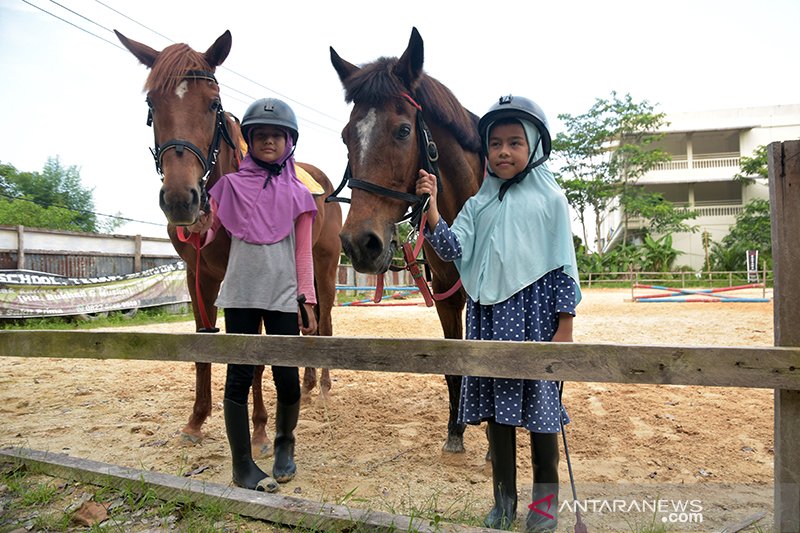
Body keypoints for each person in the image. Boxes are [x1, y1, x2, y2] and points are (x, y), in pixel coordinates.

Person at [415, 95, 581, 531]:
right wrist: (432, 212)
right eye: (495, 144)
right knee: (498, 415)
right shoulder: (478, 204)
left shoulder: (551, 201)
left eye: (514, 143)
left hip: (535, 320)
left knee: (542, 415)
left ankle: (544, 508)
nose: (503, 152)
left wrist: (564, 326)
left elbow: (564, 265)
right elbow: (452, 248)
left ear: (534, 148)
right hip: (488, 319)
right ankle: (503, 502)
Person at [189, 97, 318, 492]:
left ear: (289, 142)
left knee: (287, 378)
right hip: (241, 294)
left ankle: (284, 445)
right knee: (239, 378)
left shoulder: (299, 195)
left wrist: (307, 299)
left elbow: (302, 253)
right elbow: (206, 235)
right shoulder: (227, 187)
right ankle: (241, 465)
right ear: (249, 140)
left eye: (276, 136)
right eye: (260, 135)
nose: (268, 141)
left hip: (282, 295)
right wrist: (198, 224)